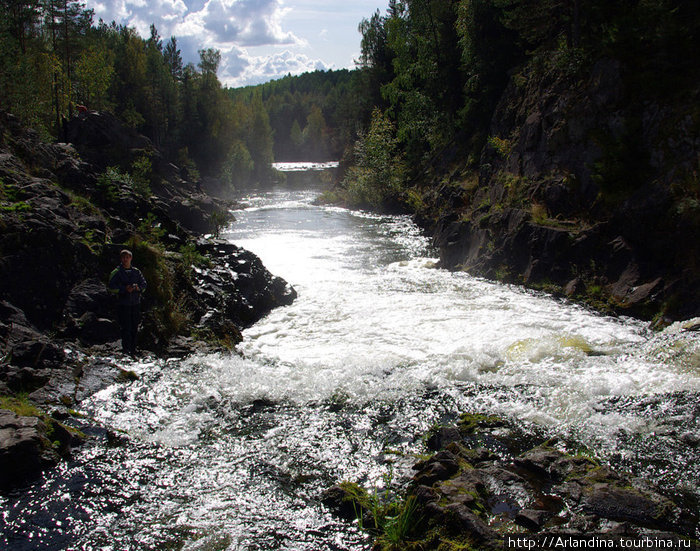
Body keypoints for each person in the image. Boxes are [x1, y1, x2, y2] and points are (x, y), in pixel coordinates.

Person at [108, 249, 147, 357]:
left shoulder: (136, 271)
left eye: (127, 257)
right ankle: (126, 349)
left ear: (131, 258)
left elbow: (144, 284)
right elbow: (111, 287)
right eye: (123, 258)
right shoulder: (116, 272)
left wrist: (138, 288)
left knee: (135, 326)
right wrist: (124, 289)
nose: (125, 260)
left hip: (135, 303)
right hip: (123, 303)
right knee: (125, 326)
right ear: (121, 259)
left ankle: (133, 348)